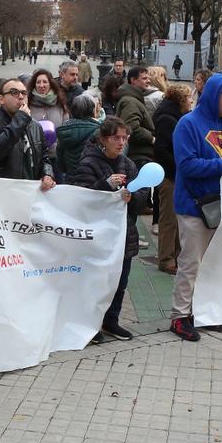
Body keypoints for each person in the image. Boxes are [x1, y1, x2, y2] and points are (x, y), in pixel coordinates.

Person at [170, 72, 222, 341]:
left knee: (214, 264)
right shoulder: (188, 124)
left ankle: (204, 312)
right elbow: (187, 165)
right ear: (213, 94)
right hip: (194, 205)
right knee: (191, 264)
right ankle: (180, 317)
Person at [69, 117, 141, 343]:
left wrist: (132, 197)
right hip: (98, 237)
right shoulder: (88, 163)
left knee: (120, 281)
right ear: (103, 140)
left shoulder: (128, 164)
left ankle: (111, 321)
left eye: (124, 137)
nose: (121, 142)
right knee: (95, 282)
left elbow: (142, 197)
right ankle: (88, 324)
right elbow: (82, 198)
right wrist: (105, 185)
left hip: (123, 235)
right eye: (115, 138)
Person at [0, 78, 56, 189]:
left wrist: (47, 174)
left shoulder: (35, 125)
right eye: (14, 93)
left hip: (30, 191)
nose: (20, 97)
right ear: (1, 99)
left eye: (24, 93)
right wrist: (20, 120)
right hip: (2, 191)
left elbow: (44, 157)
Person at [153, 83, 194, 275]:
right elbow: (162, 150)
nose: (191, 101)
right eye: (189, 98)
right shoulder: (167, 118)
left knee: (178, 218)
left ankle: (176, 256)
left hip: (176, 174)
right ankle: (166, 258)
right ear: (180, 100)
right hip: (170, 175)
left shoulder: (176, 116)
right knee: (169, 219)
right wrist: (179, 167)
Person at [115, 66, 156, 169]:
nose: (148, 81)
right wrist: (152, 138)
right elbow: (131, 128)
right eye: (144, 78)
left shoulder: (134, 98)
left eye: (148, 78)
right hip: (138, 156)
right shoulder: (130, 101)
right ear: (133, 80)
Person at [55, 95, 101, 179]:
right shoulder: (97, 131)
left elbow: (60, 156)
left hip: (71, 177)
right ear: (91, 110)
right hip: (92, 178)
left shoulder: (65, 130)